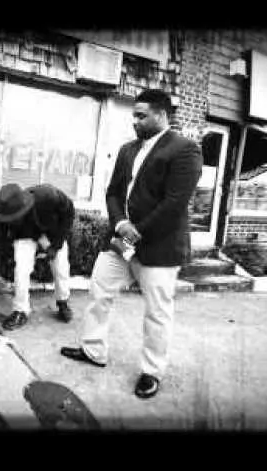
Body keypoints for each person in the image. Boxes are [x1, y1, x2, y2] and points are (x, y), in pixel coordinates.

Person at [60, 89, 202, 400]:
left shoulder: (185, 149)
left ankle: (152, 371)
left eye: (141, 115)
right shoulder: (127, 150)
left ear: (161, 115)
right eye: (133, 116)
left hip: (160, 247)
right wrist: (120, 224)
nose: (134, 121)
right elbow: (113, 192)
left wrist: (136, 231)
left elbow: (175, 203)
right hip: (124, 239)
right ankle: (93, 350)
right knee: (100, 287)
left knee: (157, 312)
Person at [0, 183, 74, 331]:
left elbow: (68, 212)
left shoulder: (48, 196)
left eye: (14, 217)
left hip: (50, 231)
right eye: (9, 219)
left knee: (60, 265)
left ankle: (63, 301)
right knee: (21, 269)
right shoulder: (1, 212)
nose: (11, 221)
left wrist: (56, 245)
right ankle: (21, 310)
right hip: (24, 235)